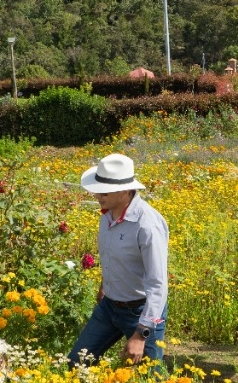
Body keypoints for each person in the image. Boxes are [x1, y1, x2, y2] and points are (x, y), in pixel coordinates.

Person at [68, 154, 169, 368]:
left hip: (141, 311)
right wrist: (104, 285)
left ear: (125, 191)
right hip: (109, 306)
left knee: (150, 381)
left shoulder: (147, 225)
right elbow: (111, 255)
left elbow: (158, 284)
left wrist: (142, 333)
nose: (97, 195)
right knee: (77, 364)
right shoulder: (107, 216)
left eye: (103, 190)